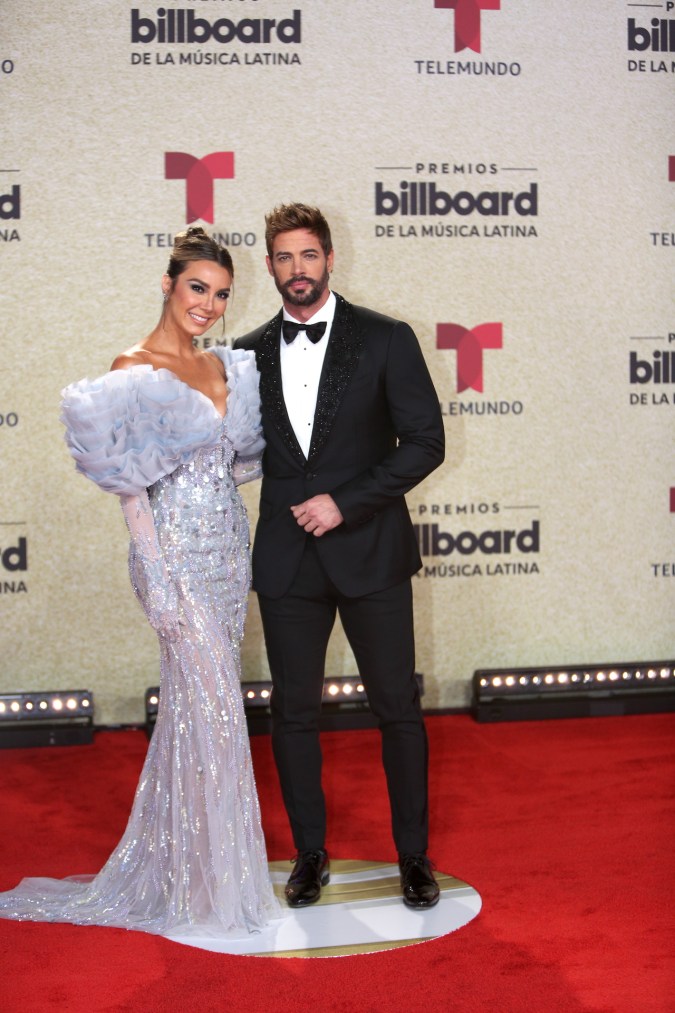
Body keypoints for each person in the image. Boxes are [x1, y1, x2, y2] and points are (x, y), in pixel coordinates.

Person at [0, 227, 280, 938]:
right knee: (218, 712)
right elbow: (131, 491)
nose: (208, 304)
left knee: (196, 711)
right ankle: (217, 889)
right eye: (197, 288)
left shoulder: (221, 366)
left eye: (221, 294)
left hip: (227, 554)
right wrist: (155, 574)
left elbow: (232, 467)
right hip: (174, 559)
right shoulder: (133, 367)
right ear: (167, 283)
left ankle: (193, 874)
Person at [234, 203, 445, 909]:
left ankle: (413, 855)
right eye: (283, 257)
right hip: (286, 559)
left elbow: (425, 442)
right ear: (270, 266)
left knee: (396, 707)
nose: (297, 269)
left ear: (329, 258)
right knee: (292, 711)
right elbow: (236, 452)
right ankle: (309, 853)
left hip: (370, 551)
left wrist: (344, 503)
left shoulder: (386, 338)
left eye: (308, 255)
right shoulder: (245, 353)